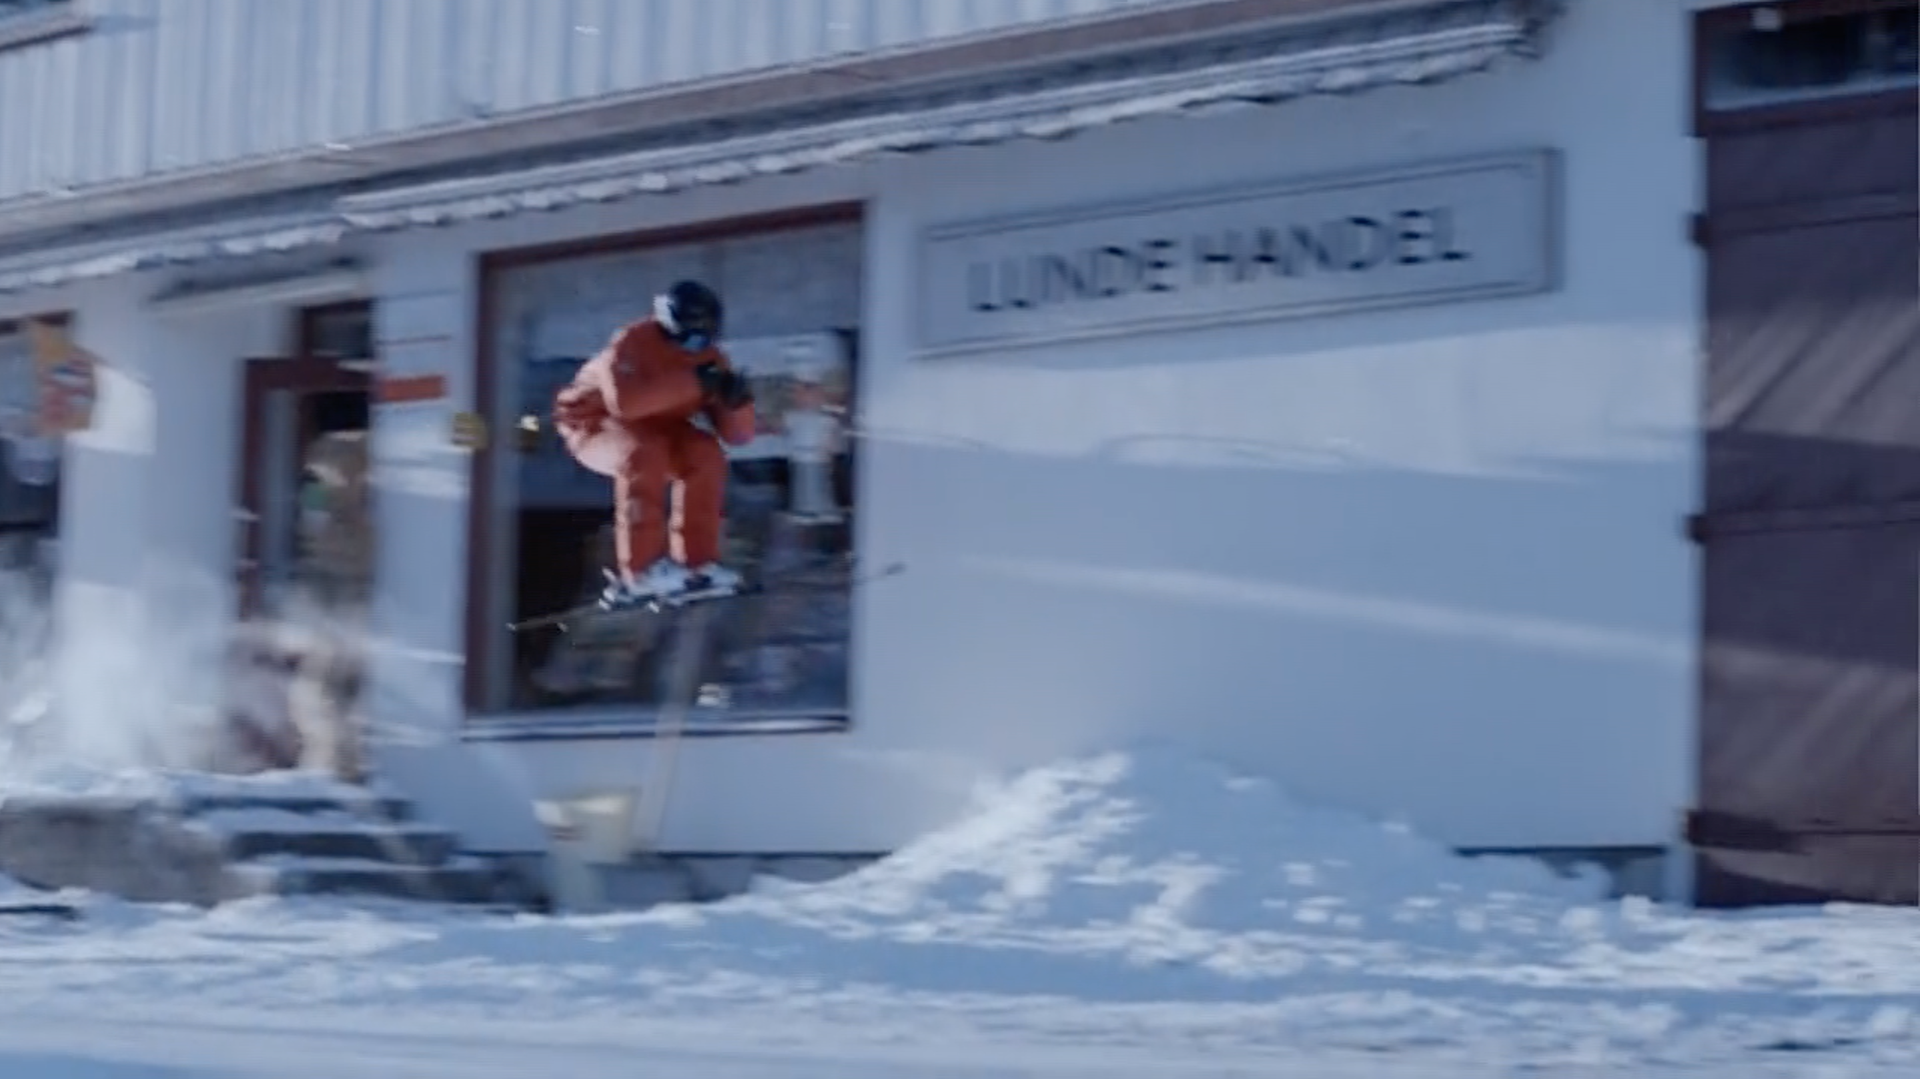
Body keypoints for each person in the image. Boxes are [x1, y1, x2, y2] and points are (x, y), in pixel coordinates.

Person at [551, 280, 756, 608]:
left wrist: (737, 403)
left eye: (704, 339)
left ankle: (698, 563)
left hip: (659, 428)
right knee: (643, 452)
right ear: (668, 326)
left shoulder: (710, 359)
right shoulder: (631, 343)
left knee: (705, 453)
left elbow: (738, 436)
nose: (694, 347)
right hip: (595, 425)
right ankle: (640, 570)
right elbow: (627, 404)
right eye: (689, 338)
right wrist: (693, 382)